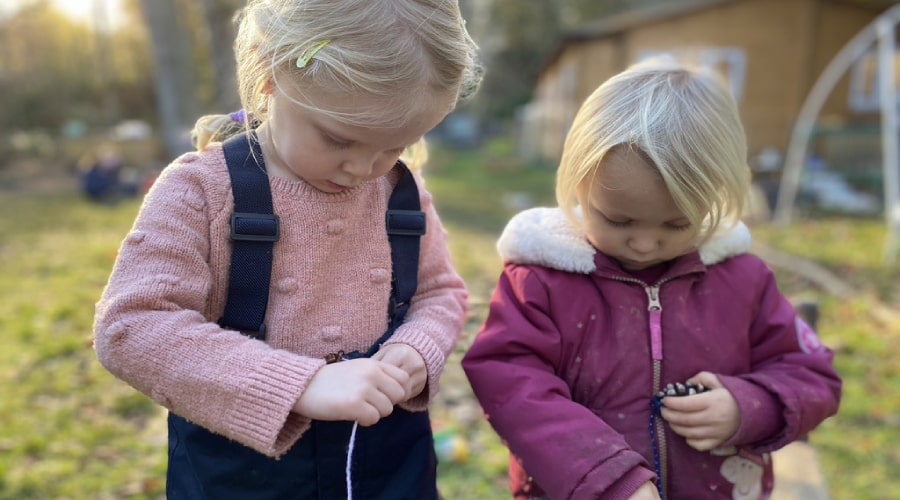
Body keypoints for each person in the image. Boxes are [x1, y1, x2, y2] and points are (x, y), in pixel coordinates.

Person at [93, 0, 482, 498]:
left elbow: (440, 291)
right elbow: (132, 326)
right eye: (339, 139)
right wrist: (299, 385)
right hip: (242, 468)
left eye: (396, 145)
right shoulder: (203, 192)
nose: (364, 168)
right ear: (272, 70)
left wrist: (418, 347)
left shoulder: (401, 193)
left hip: (388, 462)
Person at [461, 57, 841, 500]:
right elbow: (511, 384)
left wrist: (748, 406)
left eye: (676, 225)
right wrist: (609, 478)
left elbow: (814, 377)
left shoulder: (744, 280)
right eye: (618, 220)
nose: (643, 244)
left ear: (715, 200)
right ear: (579, 184)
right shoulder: (541, 281)